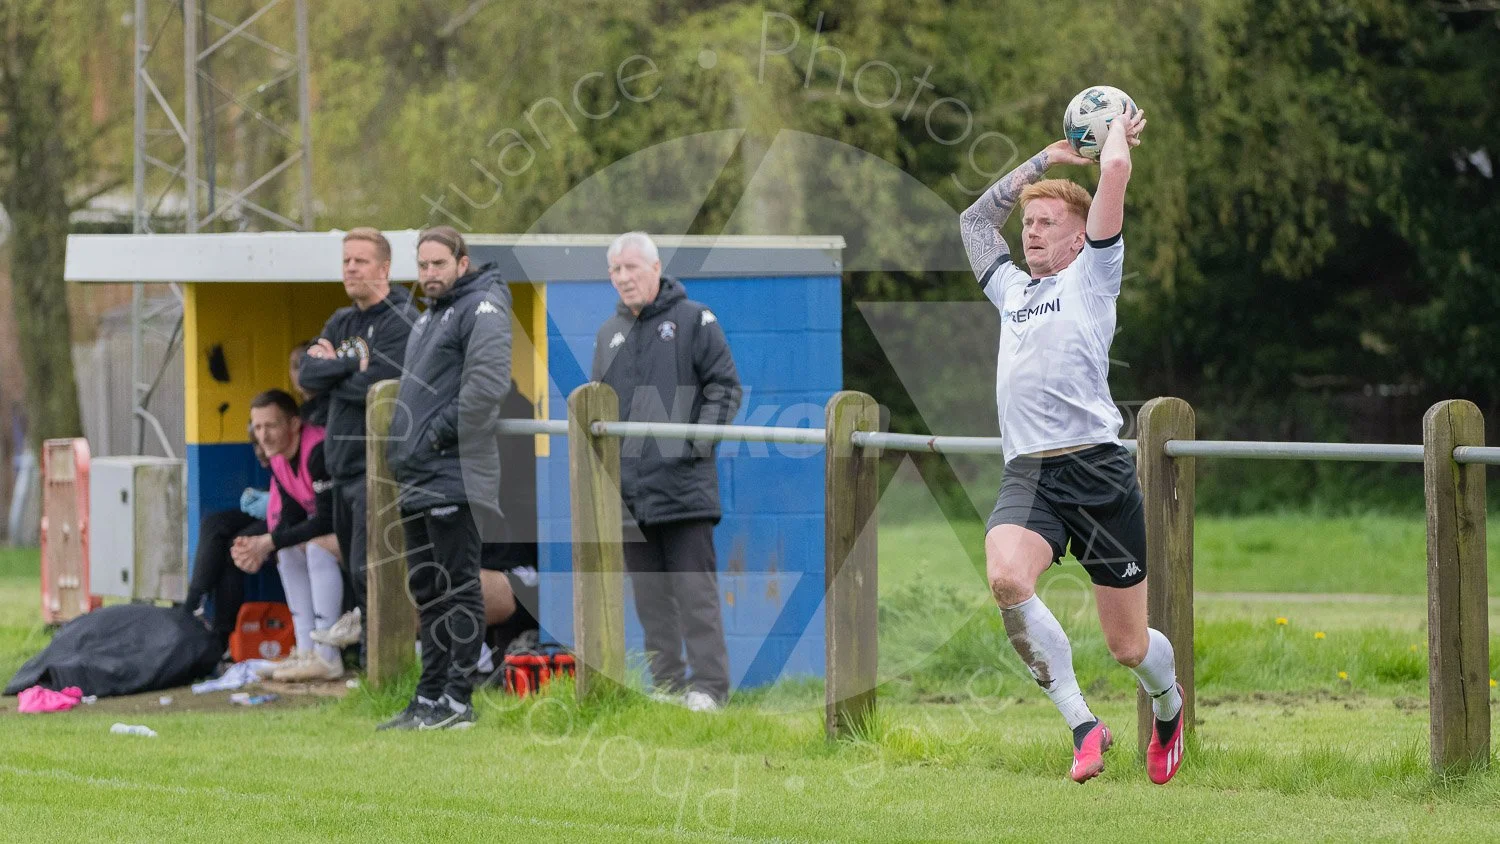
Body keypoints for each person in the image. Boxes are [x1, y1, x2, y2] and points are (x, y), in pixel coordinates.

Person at [957, 106, 1183, 784]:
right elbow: (971, 222)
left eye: (1046, 222)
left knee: (1129, 645)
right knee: (1005, 579)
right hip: (1031, 475)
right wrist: (1043, 163)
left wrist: (1117, 126)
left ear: (1081, 237)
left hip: (1099, 472)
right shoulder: (1012, 291)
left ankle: (1168, 705)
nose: (1029, 232)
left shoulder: (1095, 279)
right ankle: (1084, 726)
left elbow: (1115, 168)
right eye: (1026, 223)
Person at [590, 231, 742, 712]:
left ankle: (709, 688)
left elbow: (725, 387)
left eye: (632, 267)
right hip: (631, 494)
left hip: (684, 489)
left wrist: (693, 444)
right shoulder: (607, 333)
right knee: (650, 599)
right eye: (615, 270)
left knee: (694, 594)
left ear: (656, 268)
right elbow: (598, 406)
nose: (623, 277)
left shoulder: (695, 319)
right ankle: (667, 683)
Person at [379, 226, 512, 731]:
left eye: (439, 264)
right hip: (417, 474)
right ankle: (429, 695)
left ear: (462, 262)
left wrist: (432, 437)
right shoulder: (431, 316)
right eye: (423, 265)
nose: (430, 274)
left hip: (453, 473)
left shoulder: (483, 308)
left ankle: (459, 699)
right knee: (427, 589)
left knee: (459, 587)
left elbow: (485, 388)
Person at [298, 228, 416, 656]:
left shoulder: (401, 319)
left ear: (384, 268)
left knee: (375, 571)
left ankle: (385, 666)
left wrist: (336, 371)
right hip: (341, 466)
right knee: (355, 570)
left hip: (379, 466)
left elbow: (379, 387)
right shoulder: (340, 320)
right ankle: (369, 670)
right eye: (346, 260)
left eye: (360, 261)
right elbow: (306, 376)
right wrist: (350, 365)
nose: (350, 268)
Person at [232, 389, 344, 682]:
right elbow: (292, 516)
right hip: (332, 532)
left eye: (271, 426)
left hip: (361, 532)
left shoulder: (317, 449)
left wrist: (267, 541)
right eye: (257, 428)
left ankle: (328, 655)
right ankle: (306, 650)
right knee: (287, 550)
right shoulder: (278, 457)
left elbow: (327, 520)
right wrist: (259, 548)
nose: (263, 436)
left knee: (316, 547)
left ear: (294, 424)